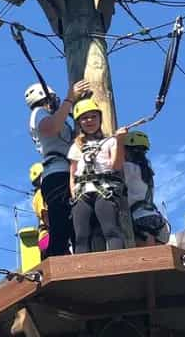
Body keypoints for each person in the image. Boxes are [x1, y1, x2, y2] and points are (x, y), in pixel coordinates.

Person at [26, 80, 90, 256]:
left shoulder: (58, 117)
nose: (56, 102)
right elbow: (51, 127)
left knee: (77, 224)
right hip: (57, 174)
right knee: (61, 225)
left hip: (69, 172)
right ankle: (58, 262)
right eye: (53, 99)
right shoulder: (38, 113)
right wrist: (70, 99)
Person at [68, 97, 128, 253]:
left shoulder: (110, 141)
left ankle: (119, 263)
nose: (89, 120)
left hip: (105, 189)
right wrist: (73, 191)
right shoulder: (77, 145)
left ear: (100, 118)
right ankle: (82, 270)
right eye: (84, 118)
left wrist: (120, 141)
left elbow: (116, 165)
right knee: (81, 235)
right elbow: (73, 172)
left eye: (93, 116)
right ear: (79, 123)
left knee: (110, 230)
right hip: (83, 192)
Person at [123, 131, 170, 245]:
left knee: (145, 257)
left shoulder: (127, 168)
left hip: (138, 219)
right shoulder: (147, 169)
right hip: (156, 219)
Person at [29, 162, 49, 258]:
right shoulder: (40, 194)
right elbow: (45, 214)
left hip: (44, 239)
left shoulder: (40, 194)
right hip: (47, 236)